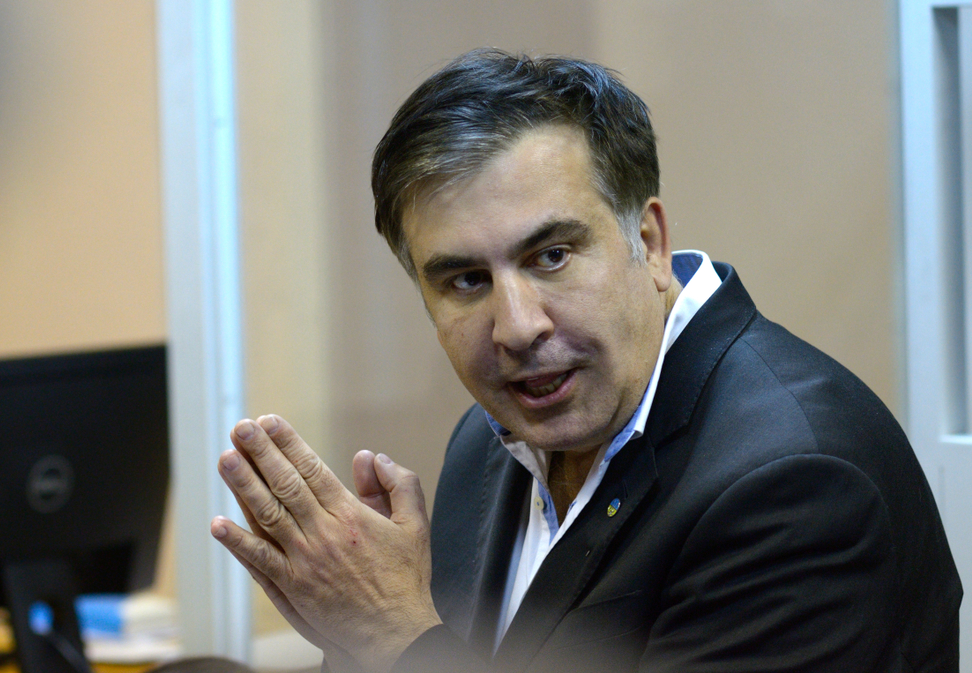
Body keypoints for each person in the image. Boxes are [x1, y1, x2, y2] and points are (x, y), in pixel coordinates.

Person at [209, 49, 962, 672]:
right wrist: (354, 633)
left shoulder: (795, 483)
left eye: (553, 255)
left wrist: (393, 634)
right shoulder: (490, 441)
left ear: (651, 243)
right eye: (465, 280)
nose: (517, 328)